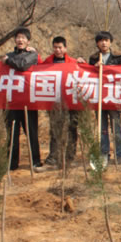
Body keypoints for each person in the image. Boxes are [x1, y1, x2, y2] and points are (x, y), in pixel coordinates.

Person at [41, 36, 85, 169]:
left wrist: (83, 63)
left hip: (71, 101)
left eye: (60, 47)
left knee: (72, 128)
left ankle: (70, 158)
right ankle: (53, 159)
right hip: (54, 101)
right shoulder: (47, 62)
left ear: (65, 48)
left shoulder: (73, 62)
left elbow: (85, 75)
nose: (58, 50)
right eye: (55, 47)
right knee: (55, 129)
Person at [2, 27, 41, 171]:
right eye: (18, 37)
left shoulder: (32, 55)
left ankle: (35, 161)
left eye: (23, 38)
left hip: (28, 101)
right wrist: (8, 60)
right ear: (15, 40)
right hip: (11, 101)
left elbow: (22, 65)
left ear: (28, 41)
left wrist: (8, 61)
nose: (20, 40)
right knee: (12, 134)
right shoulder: (9, 55)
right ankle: (12, 163)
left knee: (31, 132)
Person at [88, 31, 121, 162]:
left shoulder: (119, 57)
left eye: (106, 40)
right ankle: (104, 154)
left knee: (116, 128)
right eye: (101, 41)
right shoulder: (93, 58)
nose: (104, 43)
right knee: (102, 128)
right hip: (99, 97)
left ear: (110, 42)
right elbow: (88, 75)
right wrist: (94, 68)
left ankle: (119, 155)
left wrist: (109, 68)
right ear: (97, 43)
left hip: (114, 97)